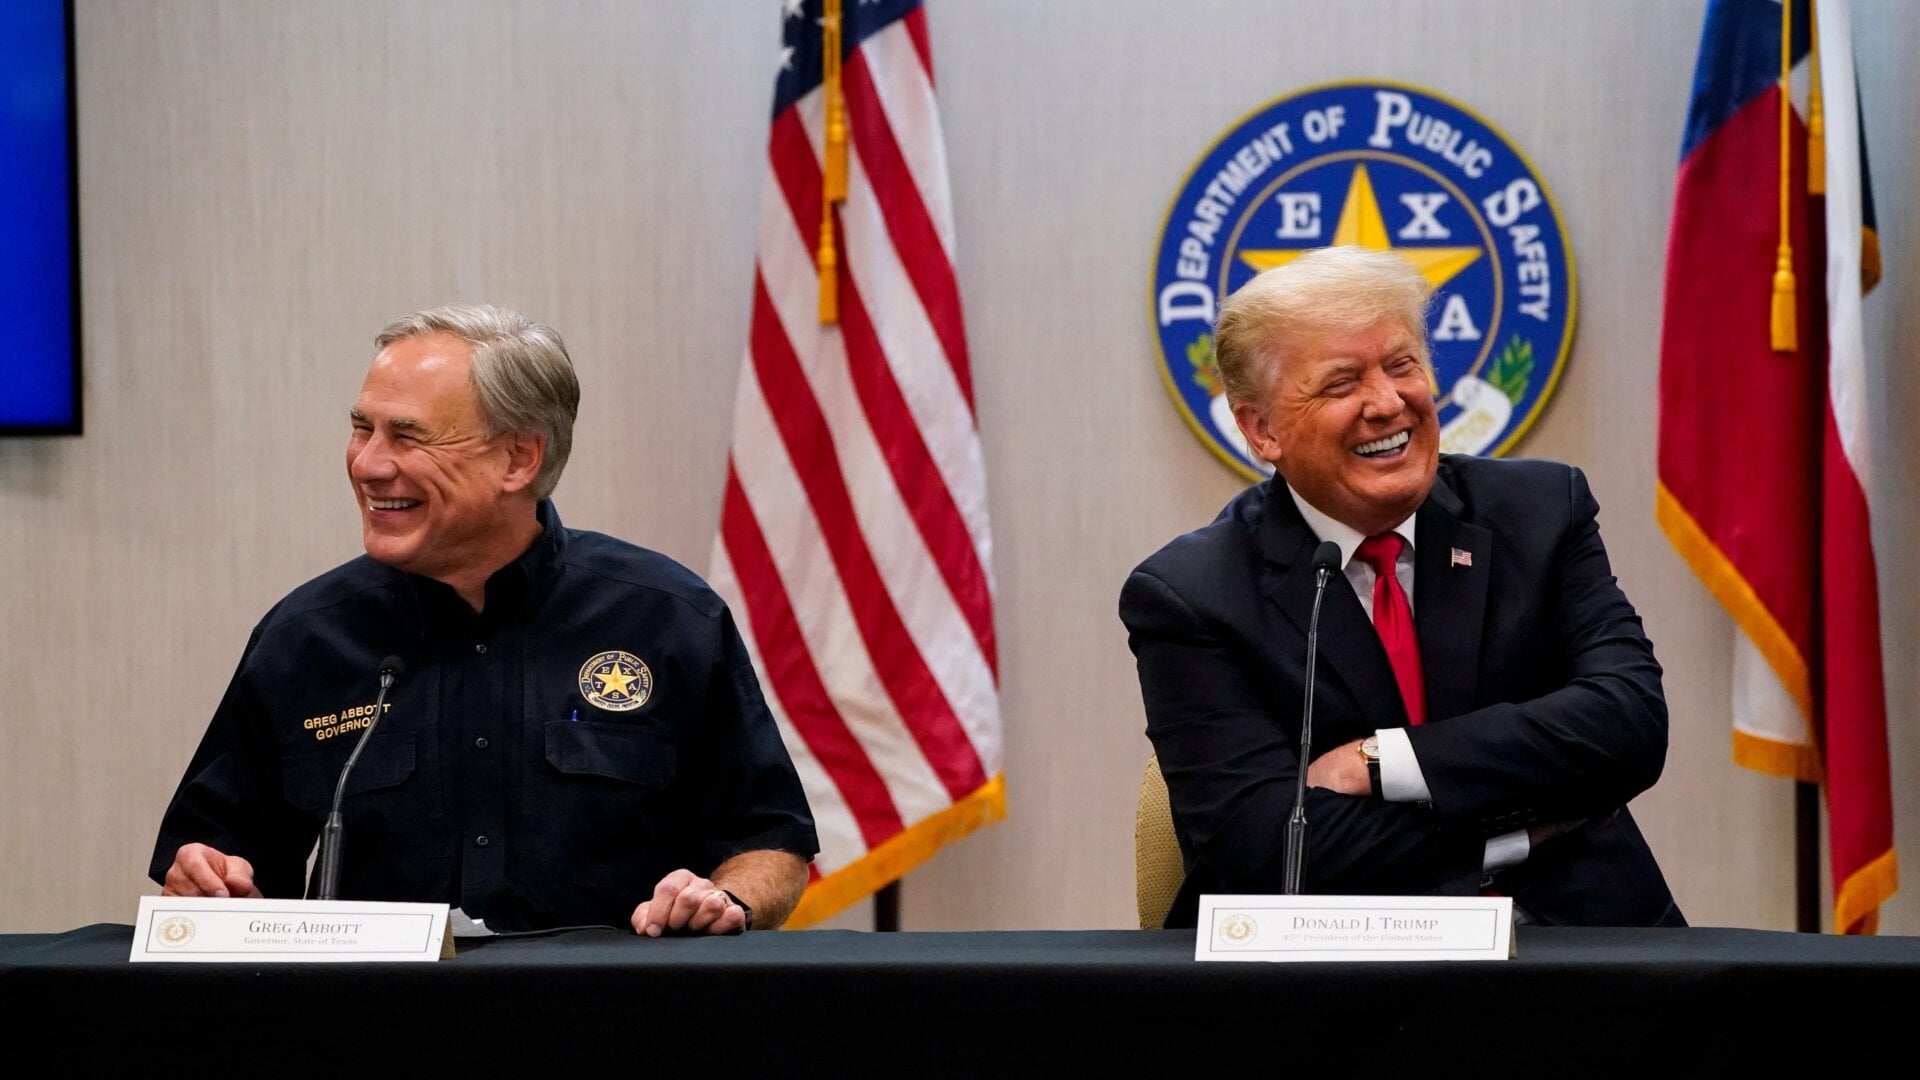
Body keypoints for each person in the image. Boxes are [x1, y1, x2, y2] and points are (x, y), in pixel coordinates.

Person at [150, 304, 818, 935]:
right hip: (373, 1014)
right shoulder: (305, 637)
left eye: (407, 436)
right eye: (361, 428)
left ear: (518, 459)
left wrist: (723, 901)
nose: (368, 464)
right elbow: (222, 858)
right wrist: (213, 882)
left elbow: (771, 843)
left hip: (613, 1011)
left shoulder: (667, 618)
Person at [1119, 246, 1683, 928]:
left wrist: (1384, 760)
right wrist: (1519, 831)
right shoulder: (1191, 595)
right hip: (1336, 961)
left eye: (1402, 365)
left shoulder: (1539, 512)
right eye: (1341, 384)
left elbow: (1627, 724)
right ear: (1262, 429)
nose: (1387, 404)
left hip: (1583, 936)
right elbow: (1271, 848)